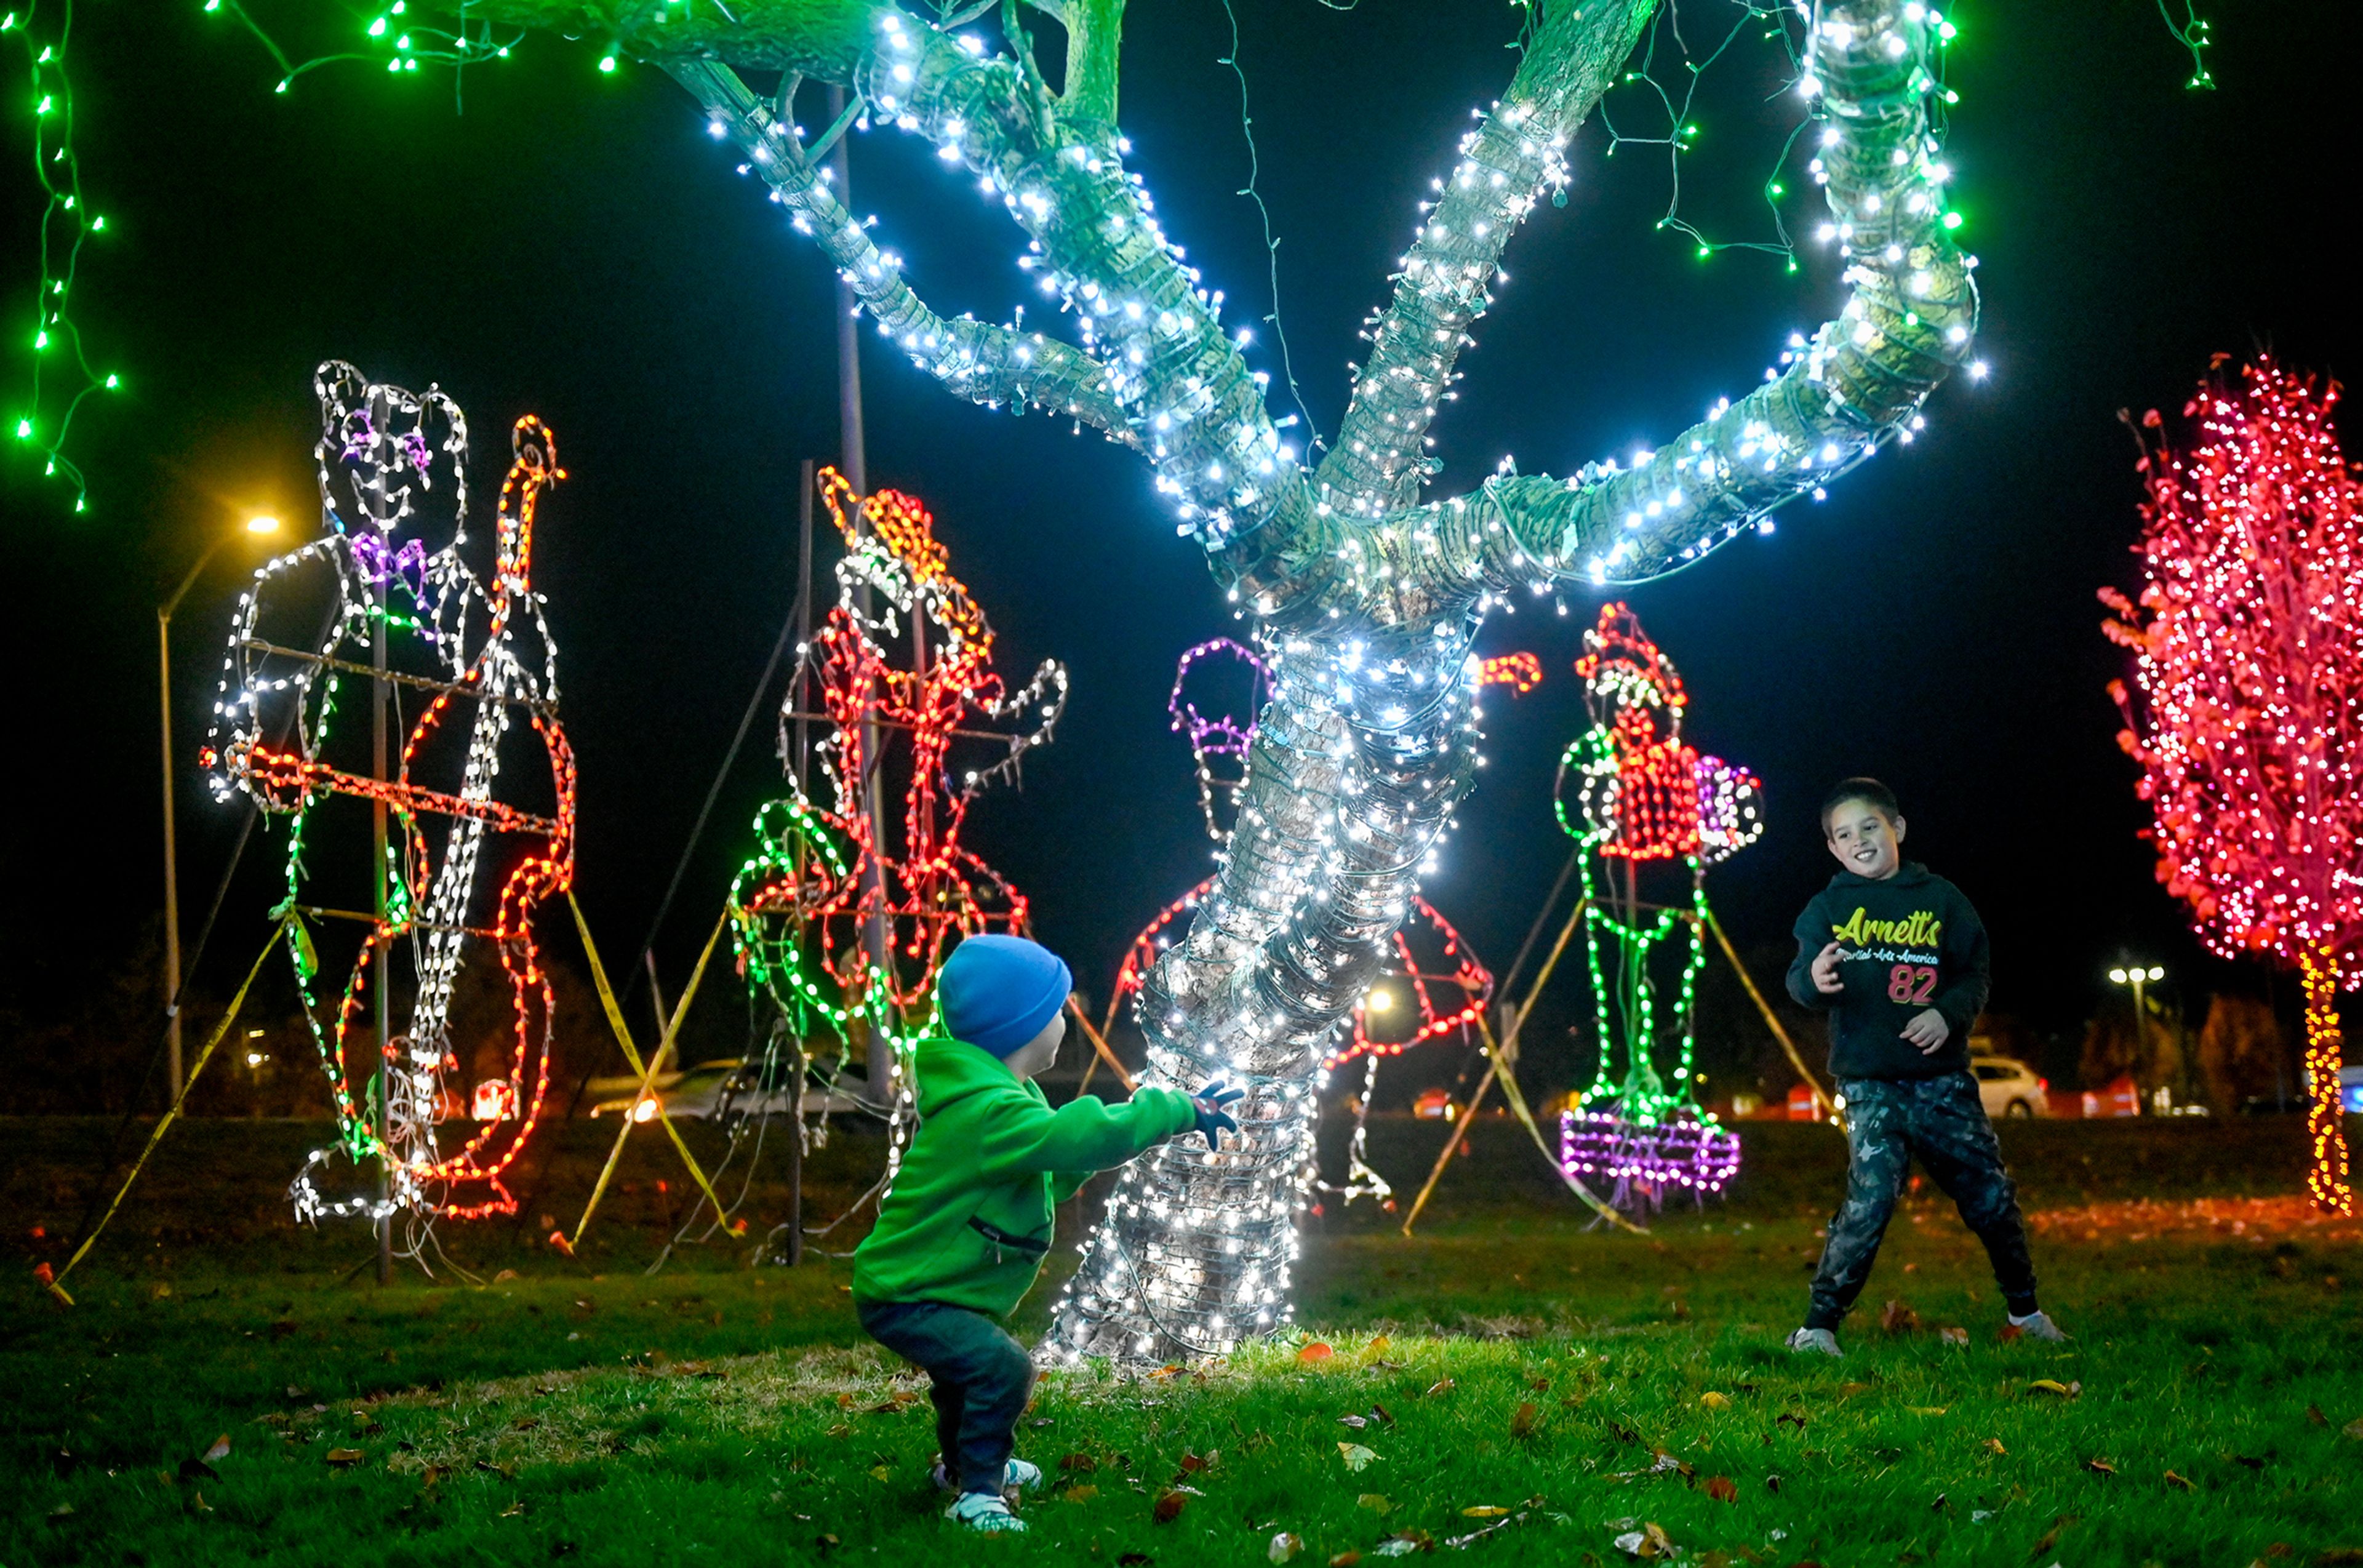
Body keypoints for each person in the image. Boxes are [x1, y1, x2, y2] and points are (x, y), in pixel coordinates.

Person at [851, 934, 1242, 1533]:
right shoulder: (990, 1112)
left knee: (966, 1377)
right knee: (1000, 1369)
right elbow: (1073, 1135)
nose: (1065, 1019)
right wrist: (1173, 1110)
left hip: (918, 1287)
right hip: (910, 1294)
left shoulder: (1002, 1099)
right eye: (1058, 1009)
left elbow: (1050, 1172)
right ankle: (979, 1493)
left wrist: (1090, 1155)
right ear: (1024, 1026)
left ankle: (962, 1467)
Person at [1781, 778, 2065, 1356]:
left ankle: (2027, 1312)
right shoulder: (1827, 908)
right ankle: (1817, 1328)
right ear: (1833, 848)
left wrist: (1945, 1014)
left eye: (1870, 827)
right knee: (1872, 1197)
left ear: (1897, 830)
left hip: (1942, 1083)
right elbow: (1800, 979)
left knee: (1989, 1195)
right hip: (1870, 1083)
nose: (1859, 841)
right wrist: (1813, 981)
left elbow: (1974, 974)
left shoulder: (1942, 900)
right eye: (1844, 834)